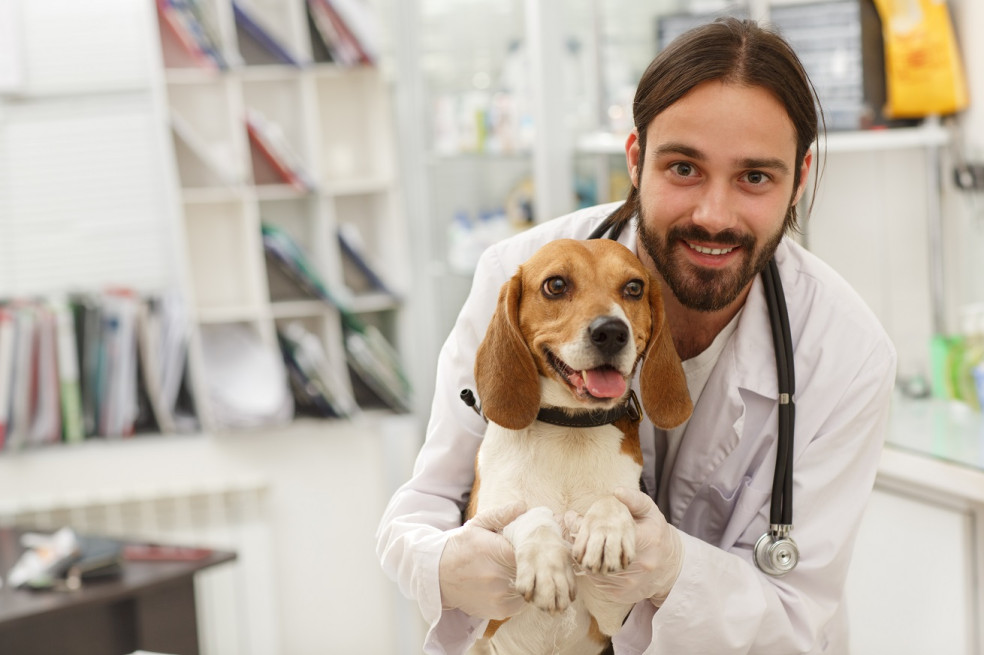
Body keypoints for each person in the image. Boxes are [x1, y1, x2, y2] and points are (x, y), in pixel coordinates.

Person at [377, 17, 896, 654]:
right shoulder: (520, 277)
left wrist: (672, 570)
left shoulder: (846, 354)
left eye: (755, 177)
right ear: (636, 159)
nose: (713, 213)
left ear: (800, 177)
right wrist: (443, 566)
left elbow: (797, 616)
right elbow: (420, 509)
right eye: (683, 168)